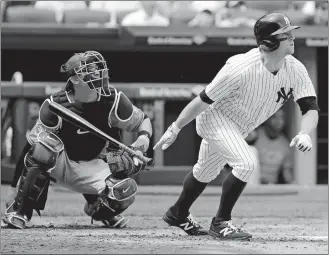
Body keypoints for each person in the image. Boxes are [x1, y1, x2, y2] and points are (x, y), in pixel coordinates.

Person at [154, 12, 319, 240]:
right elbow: (202, 100)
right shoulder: (240, 68)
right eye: (285, 34)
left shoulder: (295, 68)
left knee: (206, 170)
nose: (292, 37)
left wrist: (304, 132)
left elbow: (310, 106)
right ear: (269, 42)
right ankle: (221, 222)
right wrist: (175, 127)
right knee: (246, 162)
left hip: (239, 126)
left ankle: (177, 213)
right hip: (216, 119)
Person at [3, 51, 153, 229]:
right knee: (45, 145)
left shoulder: (113, 101)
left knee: (124, 190)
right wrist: (13, 188)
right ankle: (20, 210)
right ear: (74, 79)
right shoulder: (55, 105)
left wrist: (141, 143)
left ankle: (97, 207)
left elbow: (144, 121)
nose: (97, 73)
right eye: (89, 70)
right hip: (58, 164)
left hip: (91, 165)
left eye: (97, 69)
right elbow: (30, 145)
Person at [254, 108, 294, 184]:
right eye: (274, 117)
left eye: (281, 117)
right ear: (267, 118)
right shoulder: (255, 136)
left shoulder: (285, 144)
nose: (278, 121)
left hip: (271, 187)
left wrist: (293, 184)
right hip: (252, 185)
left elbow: (287, 173)